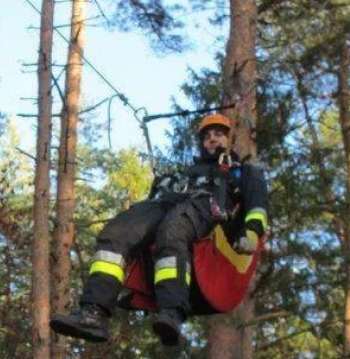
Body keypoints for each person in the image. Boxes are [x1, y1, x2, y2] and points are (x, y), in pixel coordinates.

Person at [50, 113, 269, 347]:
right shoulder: (186, 172)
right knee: (116, 232)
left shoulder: (242, 172)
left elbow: (258, 205)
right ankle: (93, 313)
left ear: (230, 139)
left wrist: (252, 233)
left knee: (173, 229)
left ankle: (172, 312)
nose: (212, 140)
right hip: (168, 203)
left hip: (208, 208)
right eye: (207, 136)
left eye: (218, 135)